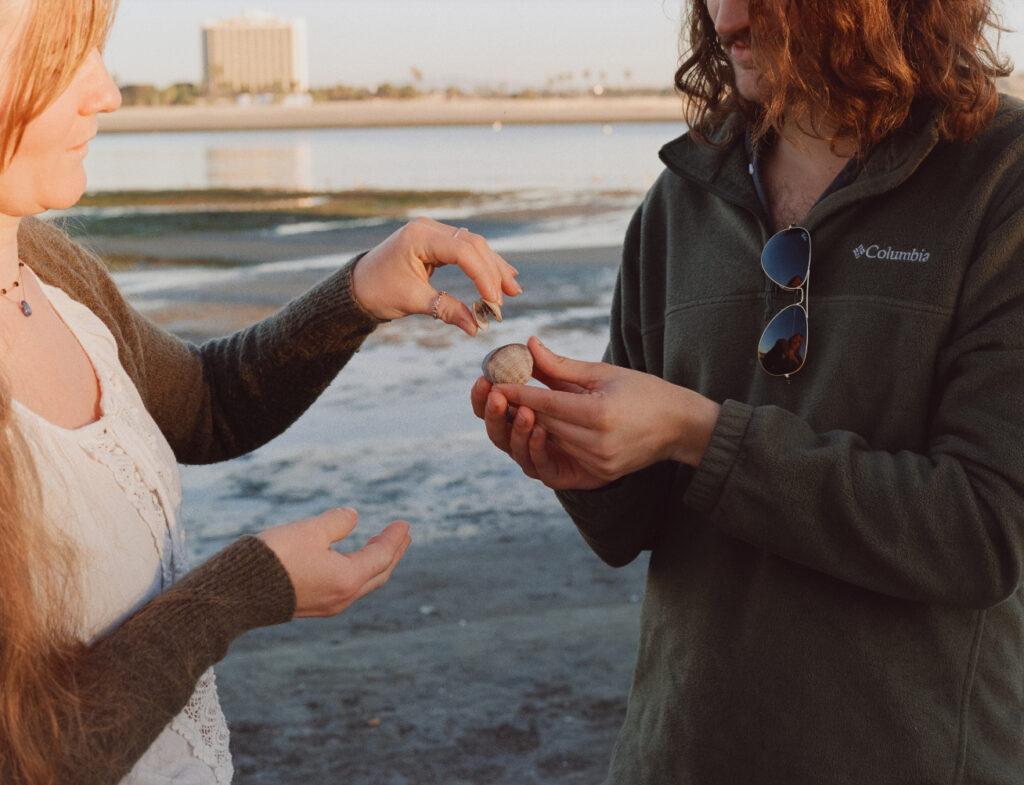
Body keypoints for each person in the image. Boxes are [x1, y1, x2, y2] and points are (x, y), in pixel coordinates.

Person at [472, 0, 1024, 782]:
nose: (724, 12)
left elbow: (984, 532)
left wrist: (698, 432)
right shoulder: (680, 200)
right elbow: (634, 529)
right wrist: (580, 461)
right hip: (678, 756)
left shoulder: (1002, 175)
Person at [0, 1, 520, 784]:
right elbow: (29, 753)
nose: (105, 93)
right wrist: (240, 589)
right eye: (61, 57)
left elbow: (209, 403)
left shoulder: (47, 265)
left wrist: (361, 293)